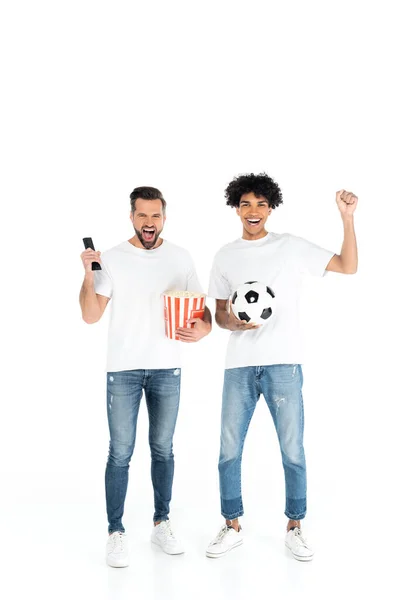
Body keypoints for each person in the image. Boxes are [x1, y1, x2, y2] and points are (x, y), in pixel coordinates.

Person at [205, 172, 358, 561]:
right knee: (228, 449)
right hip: (238, 365)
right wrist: (234, 323)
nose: (253, 211)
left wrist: (347, 218)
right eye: (245, 204)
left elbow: (347, 265)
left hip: (284, 365)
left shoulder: (289, 247)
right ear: (235, 209)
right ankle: (231, 525)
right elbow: (220, 315)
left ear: (271, 207)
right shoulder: (225, 255)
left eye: (260, 204)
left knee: (292, 448)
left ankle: (295, 526)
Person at [79, 186, 211, 567]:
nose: (149, 223)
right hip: (122, 370)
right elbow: (90, 315)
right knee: (120, 452)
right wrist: (89, 275)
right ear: (132, 217)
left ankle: (161, 522)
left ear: (164, 218)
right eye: (142, 216)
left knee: (163, 449)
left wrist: (203, 330)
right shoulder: (113, 258)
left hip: (167, 368)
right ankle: (115, 531)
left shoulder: (181, 256)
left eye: (155, 216)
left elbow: (200, 313)